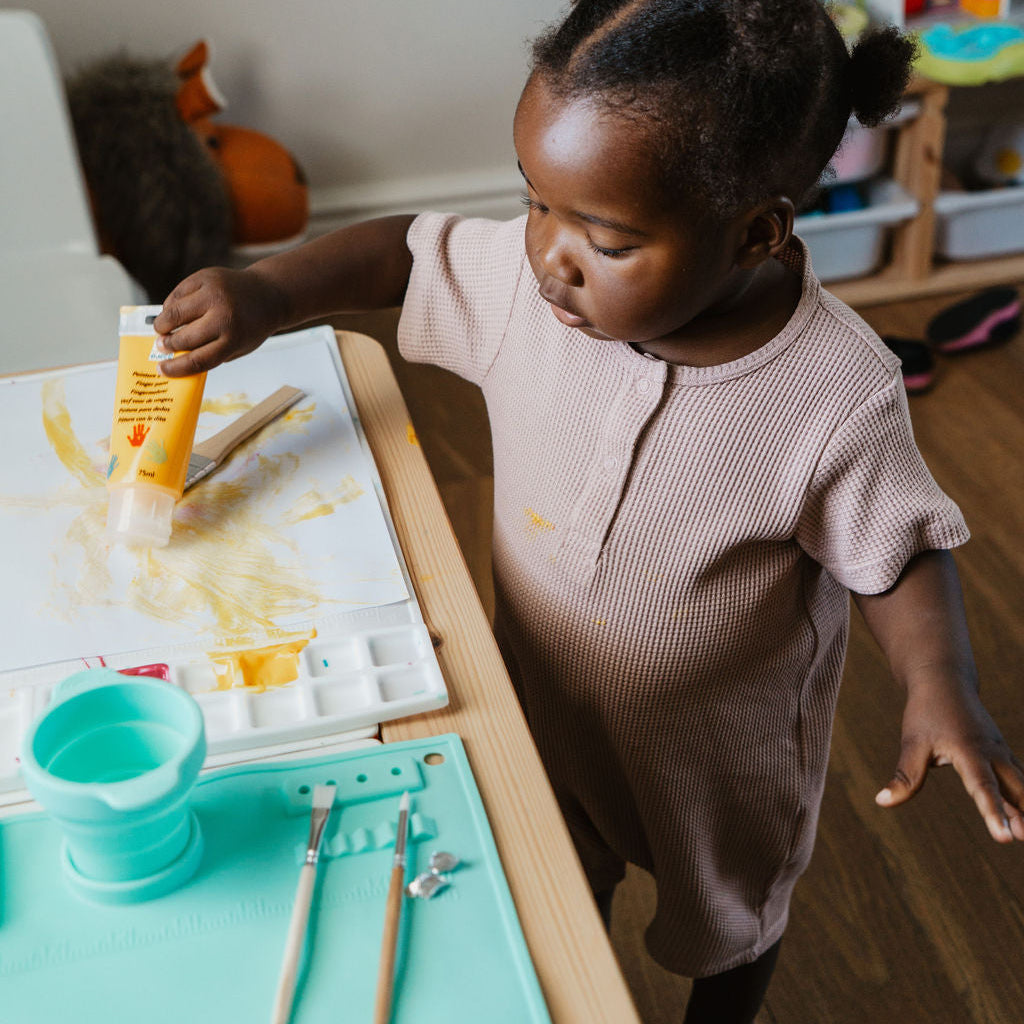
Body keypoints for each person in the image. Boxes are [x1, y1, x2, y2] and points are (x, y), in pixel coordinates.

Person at [153, 2, 1024, 1020]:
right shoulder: (539, 294)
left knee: (728, 919)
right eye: (536, 205)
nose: (548, 257)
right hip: (535, 684)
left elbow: (900, 549)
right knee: (556, 866)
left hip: (715, 754)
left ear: (754, 231)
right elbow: (408, 249)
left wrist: (939, 681)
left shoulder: (834, 392)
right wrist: (267, 296)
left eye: (605, 240)